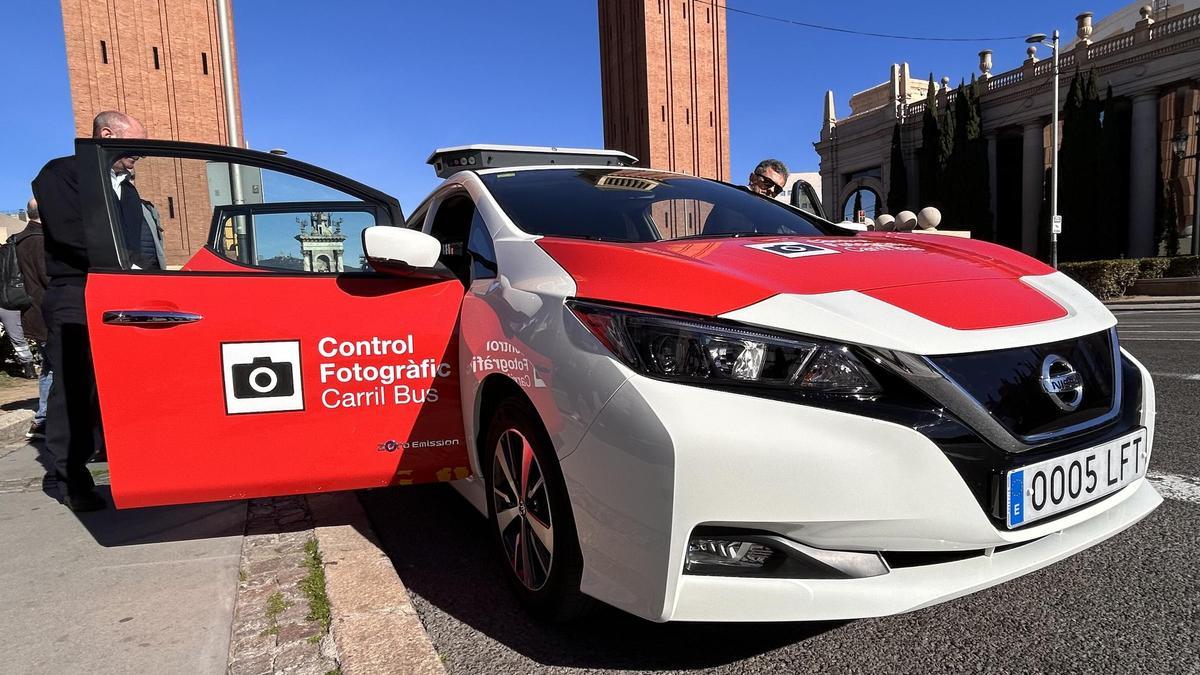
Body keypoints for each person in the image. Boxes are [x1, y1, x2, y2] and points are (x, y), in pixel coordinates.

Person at [31, 110, 147, 512]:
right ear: (107, 134)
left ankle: (112, 457)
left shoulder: (127, 188)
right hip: (76, 294)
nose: (140, 156)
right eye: (135, 146)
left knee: (114, 386)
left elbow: (140, 242)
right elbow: (67, 233)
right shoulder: (61, 174)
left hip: (122, 293)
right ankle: (69, 477)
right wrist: (122, 265)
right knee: (73, 389)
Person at [15, 198, 50, 439]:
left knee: (49, 368)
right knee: (58, 368)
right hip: (47, 313)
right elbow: (49, 279)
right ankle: (46, 419)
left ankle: (43, 420)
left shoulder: (19, 240)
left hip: (32, 313)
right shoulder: (40, 242)